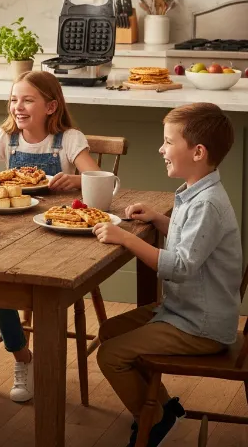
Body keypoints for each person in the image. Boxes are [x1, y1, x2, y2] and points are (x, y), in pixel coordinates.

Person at [94, 103, 241, 447]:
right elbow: (192, 245)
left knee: (110, 355)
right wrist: (161, 221)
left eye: (168, 142)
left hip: (200, 325)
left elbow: (181, 266)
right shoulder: (198, 192)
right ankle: (163, 406)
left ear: (198, 152)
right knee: (109, 330)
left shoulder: (207, 204)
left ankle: (154, 421)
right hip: (185, 311)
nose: (161, 149)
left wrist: (127, 238)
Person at [0, 70, 100, 402]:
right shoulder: (4, 139)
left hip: (59, 234)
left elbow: (100, 178)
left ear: (51, 107)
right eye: (13, 100)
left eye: (27, 100)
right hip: (12, 232)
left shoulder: (68, 140)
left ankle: (48, 369)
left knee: (16, 284)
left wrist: (76, 181)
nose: (17, 107)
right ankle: (22, 356)